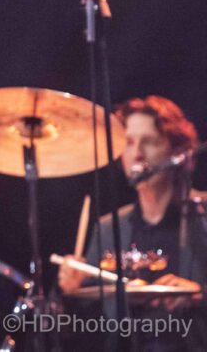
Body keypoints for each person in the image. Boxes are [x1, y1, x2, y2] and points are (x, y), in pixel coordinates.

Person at [57, 95, 206, 351]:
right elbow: (85, 329)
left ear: (177, 151)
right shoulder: (107, 228)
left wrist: (200, 296)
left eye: (149, 142)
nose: (137, 153)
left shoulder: (202, 216)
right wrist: (70, 290)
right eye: (128, 143)